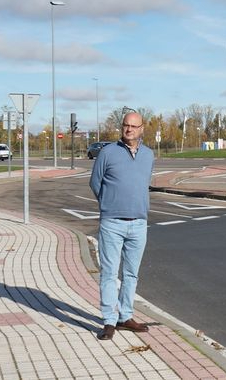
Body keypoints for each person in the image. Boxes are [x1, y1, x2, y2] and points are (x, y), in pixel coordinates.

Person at [90, 111, 154, 340]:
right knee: (109, 273)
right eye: (126, 125)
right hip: (112, 223)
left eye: (134, 126)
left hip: (138, 223)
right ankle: (109, 320)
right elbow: (95, 182)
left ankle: (125, 316)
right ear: (121, 127)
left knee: (131, 274)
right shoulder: (107, 152)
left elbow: (142, 183)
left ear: (142, 129)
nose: (129, 129)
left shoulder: (148, 155)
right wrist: (109, 204)